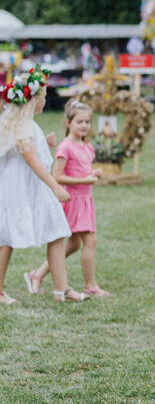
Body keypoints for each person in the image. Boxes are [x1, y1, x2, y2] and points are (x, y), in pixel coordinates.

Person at [0, 68, 88, 303]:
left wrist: (44, 144)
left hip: (34, 188)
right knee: (7, 238)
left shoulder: (28, 124)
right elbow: (30, 160)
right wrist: (55, 187)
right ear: (34, 100)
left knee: (57, 230)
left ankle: (62, 289)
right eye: (44, 97)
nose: (45, 101)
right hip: (22, 189)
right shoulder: (23, 125)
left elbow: (29, 153)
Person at [26, 99, 113, 297]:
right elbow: (57, 176)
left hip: (85, 201)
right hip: (71, 201)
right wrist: (85, 179)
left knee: (74, 244)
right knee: (90, 241)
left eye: (87, 122)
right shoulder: (65, 147)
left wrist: (93, 173)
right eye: (79, 122)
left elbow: (83, 170)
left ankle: (37, 274)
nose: (84, 126)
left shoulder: (86, 146)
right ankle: (90, 285)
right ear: (68, 123)